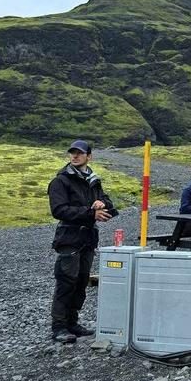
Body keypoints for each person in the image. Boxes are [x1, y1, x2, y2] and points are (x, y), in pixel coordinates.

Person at [47, 140, 118, 343]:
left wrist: (102, 204)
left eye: (79, 153)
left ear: (89, 156)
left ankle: (72, 323)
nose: (75, 156)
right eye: (72, 153)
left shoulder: (94, 180)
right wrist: (90, 212)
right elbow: (58, 210)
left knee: (81, 281)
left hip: (88, 238)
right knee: (66, 282)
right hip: (69, 237)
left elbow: (110, 205)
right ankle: (59, 327)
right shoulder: (61, 181)